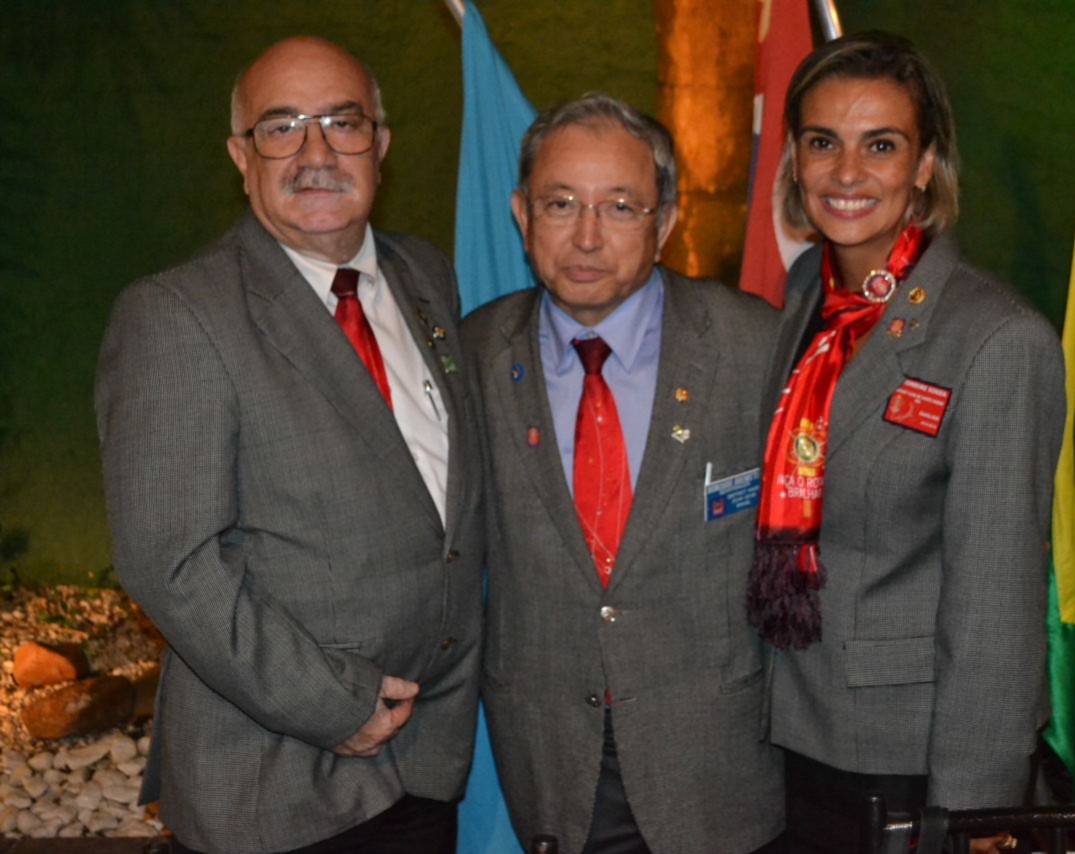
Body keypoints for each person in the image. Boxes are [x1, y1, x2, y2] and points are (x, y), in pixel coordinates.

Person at [95, 37, 482, 854]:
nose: (315, 154)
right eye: (281, 128)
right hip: (274, 784)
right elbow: (172, 563)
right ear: (241, 158)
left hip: (426, 764)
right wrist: (334, 707)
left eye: (342, 123)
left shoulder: (425, 276)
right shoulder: (177, 316)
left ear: (379, 145)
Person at [747, 31, 1066, 854]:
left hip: (912, 763)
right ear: (795, 159)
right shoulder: (805, 293)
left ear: (925, 165)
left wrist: (973, 810)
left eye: (881, 146)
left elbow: (995, 606)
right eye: (823, 143)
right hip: (789, 736)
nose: (846, 173)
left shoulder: (996, 340)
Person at [463, 94, 783, 854]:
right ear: (521, 213)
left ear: (664, 222)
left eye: (619, 207)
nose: (586, 236)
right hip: (550, 757)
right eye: (560, 204)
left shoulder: (755, 345)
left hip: (724, 761)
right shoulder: (472, 355)